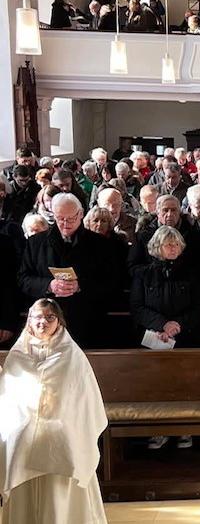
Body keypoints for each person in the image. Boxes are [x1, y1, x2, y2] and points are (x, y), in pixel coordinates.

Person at [0, 299, 108, 523]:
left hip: (62, 423)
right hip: (24, 425)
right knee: (17, 438)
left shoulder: (71, 355)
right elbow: (9, 397)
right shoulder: (17, 355)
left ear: (59, 323)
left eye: (50, 317)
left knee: (59, 440)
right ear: (29, 321)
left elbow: (81, 397)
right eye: (38, 317)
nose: (43, 322)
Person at [18, 193, 120, 348]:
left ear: (80, 214)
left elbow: (112, 282)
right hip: (46, 325)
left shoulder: (100, 244)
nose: (65, 223)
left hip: (87, 322)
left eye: (70, 218)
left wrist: (80, 286)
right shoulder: (35, 243)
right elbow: (23, 279)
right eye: (60, 218)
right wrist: (49, 285)